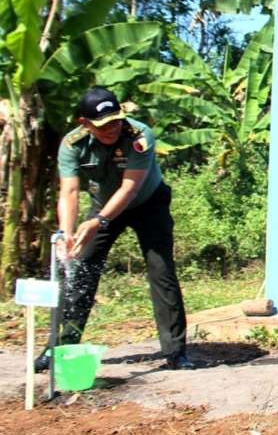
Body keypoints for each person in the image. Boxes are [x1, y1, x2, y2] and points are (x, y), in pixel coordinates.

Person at [36, 86, 192, 372]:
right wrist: (66, 234)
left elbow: (130, 188)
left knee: (161, 271)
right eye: (103, 124)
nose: (112, 128)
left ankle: (176, 353)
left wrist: (99, 222)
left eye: (116, 120)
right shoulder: (73, 144)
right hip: (103, 207)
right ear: (84, 123)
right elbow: (69, 192)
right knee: (79, 270)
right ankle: (59, 348)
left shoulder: (139, 136)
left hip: (148, 204)